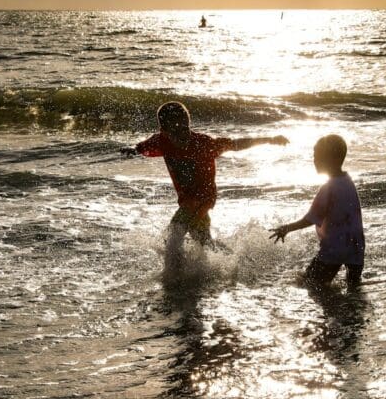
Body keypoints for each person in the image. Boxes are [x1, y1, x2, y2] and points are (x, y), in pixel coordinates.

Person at [122, 101, 288, 255]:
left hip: (203, 198)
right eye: (175, 131)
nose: (182, 135)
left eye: (184, 128)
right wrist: (132, 150)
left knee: (173, 235)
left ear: (189, 123)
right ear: (164, 131)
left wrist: (269, 140)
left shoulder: (203, 144)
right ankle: (231, 261)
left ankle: (173, 278)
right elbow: (141, 148)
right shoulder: (161, 141)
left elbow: (236, 144)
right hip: (186, 200)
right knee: (203, 242)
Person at [270, 134, 365, 286]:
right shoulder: (348, 181)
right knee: (353, 291)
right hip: (356, 249)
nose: (314, 161)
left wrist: (288, 228)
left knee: (309, 284)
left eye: (317, 157)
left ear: (331, 160)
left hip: (334, 250)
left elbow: (311, 218)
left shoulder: (328, 188)